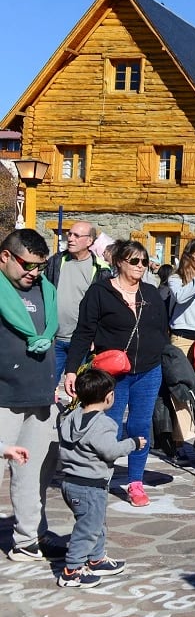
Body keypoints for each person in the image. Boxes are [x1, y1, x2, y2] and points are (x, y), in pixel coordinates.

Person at [66, 240, 170, 508]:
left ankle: (135, 482)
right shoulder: (100, 292)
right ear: (120, 262)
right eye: (135, 261)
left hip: (148, 371)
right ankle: (100, 477)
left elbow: (161, 330)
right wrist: (70, 371)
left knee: (139, 425)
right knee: (107, 427)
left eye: (144, 262)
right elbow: (83, 332)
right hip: (111, 374)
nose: (140, 267)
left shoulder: (150, 293)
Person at [0, 228, 65, 560]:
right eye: (28, 265)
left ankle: (29, 538)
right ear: (5, 257)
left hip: (40, 398)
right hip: (2, 400)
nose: (34, 273)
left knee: (34, 474)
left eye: (40, 266)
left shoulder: (47, 291)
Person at [55, 368, 142, 588]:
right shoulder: (104, 424)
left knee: (95, 524)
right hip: (90, 486)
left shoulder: (71, 417)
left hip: (71, 483)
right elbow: (110, 451)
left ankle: (96, 559)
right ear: (108, 397)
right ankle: (71, 571)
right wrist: (133, 443)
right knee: (87, 529)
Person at [45, 221, 103, 384]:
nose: (70, 238)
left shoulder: (100, 269)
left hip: (83, 342)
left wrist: (96, 337)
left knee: (81, 392)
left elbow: (103, 308)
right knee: (46, 387)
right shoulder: (55, 262)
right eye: (69, 234)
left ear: (89, 241)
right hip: (54, 338)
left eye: (76, 235)